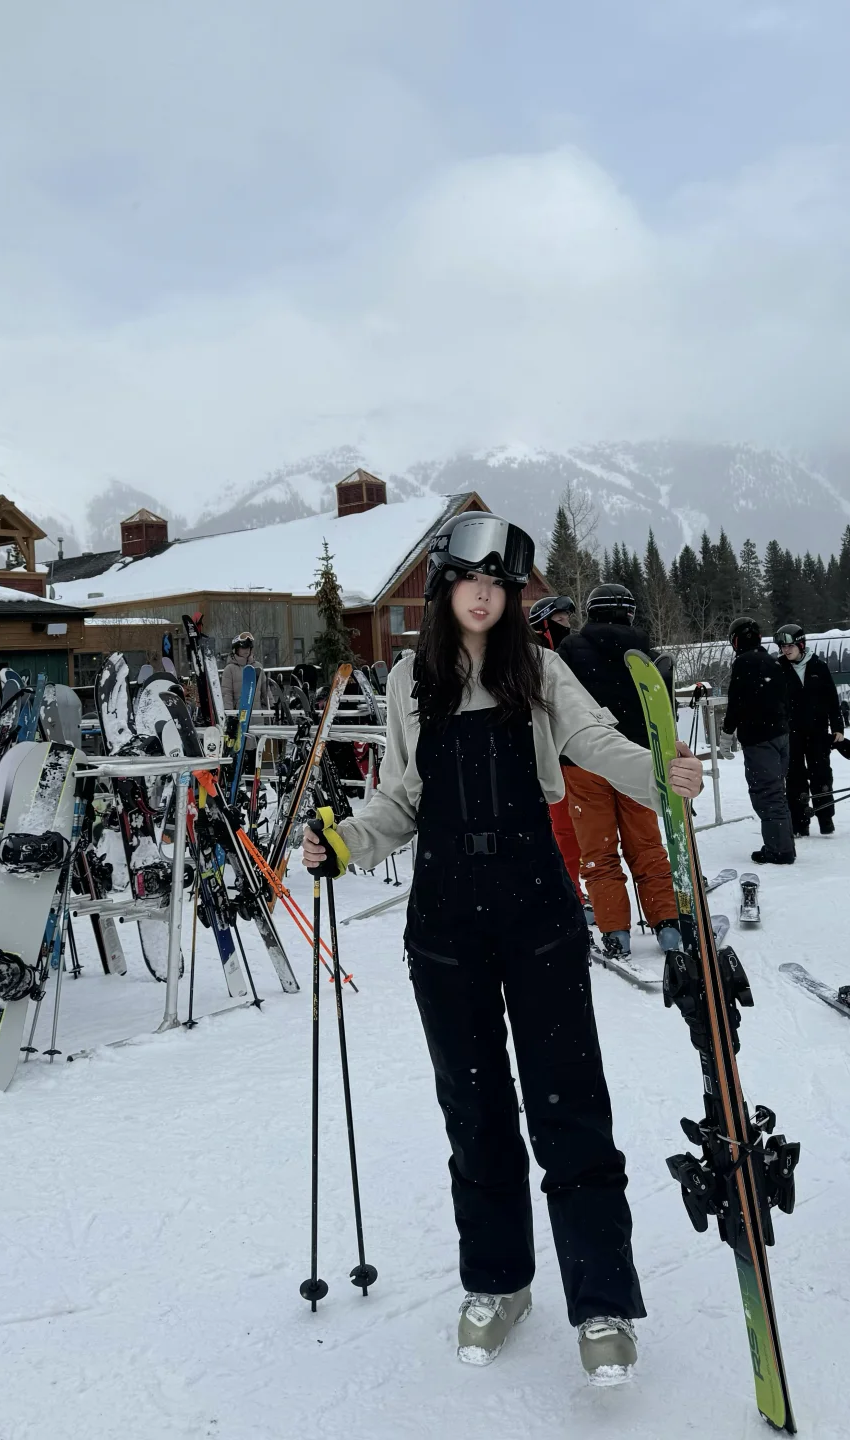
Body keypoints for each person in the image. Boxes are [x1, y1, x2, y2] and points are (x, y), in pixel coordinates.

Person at [301, 513, 702, 1383]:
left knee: (570, 1106)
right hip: (445, 922)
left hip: (536, 911)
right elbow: (401, 800)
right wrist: (344, 843)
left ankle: (601, 1303)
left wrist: (657, 770)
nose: (484, 593)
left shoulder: (541, 667)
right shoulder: (412, 678)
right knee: (474, 1112)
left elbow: (597, 744)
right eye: (468, 578)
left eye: (501, 583)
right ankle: (499, 1283)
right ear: (446, 588)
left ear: (512, 596)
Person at [555, 585, 681, 960]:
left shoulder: (569, 651)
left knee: (598, 851)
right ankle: (668, 924)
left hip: (584, 762)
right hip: (638, 762)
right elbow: (665, 714)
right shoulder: (648, 657)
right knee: (646, 847)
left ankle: (615, 932)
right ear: (630, 613)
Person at [722, 617, 795, 864]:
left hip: (760, 738)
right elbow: (785, 698)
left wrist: (726, 731)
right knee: (777, 792)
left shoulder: (744, 662)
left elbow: (737, 700)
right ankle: (783, 844)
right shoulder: (772, 661)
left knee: (767, 794)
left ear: (736, 640)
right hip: (780, 736)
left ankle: (779, 850)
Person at [527, 595, 584, 901]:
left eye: (568, 619)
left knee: (575, 831)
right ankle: (565, 891)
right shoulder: (531, 657)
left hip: (569, 753)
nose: (568, 625)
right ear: (545, 624)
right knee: (560, 830)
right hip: (542, 756)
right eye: (561, 620)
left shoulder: (569, 653)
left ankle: (572, 888)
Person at [775, 622, 844, 838]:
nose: (786, 651)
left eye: (790, 647)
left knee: (821, 774)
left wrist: (838, 726)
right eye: (783, 648)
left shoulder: (818, 667)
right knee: (795, 777)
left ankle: (826, 818)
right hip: (791, 733)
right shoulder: (778, 669)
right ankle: (799, 822)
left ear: (801, 645)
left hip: (818, 731)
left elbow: (832, 699)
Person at [221, 632, 259, 715]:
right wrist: (229, 714)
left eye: (248, 647)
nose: (246, 650)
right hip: (239, 717)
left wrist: (272, 708)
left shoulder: (258, 667)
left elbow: (266, 691)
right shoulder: (229, 669)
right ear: (236, 649)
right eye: (243, 647)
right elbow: (226, 694)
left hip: (258, 715)